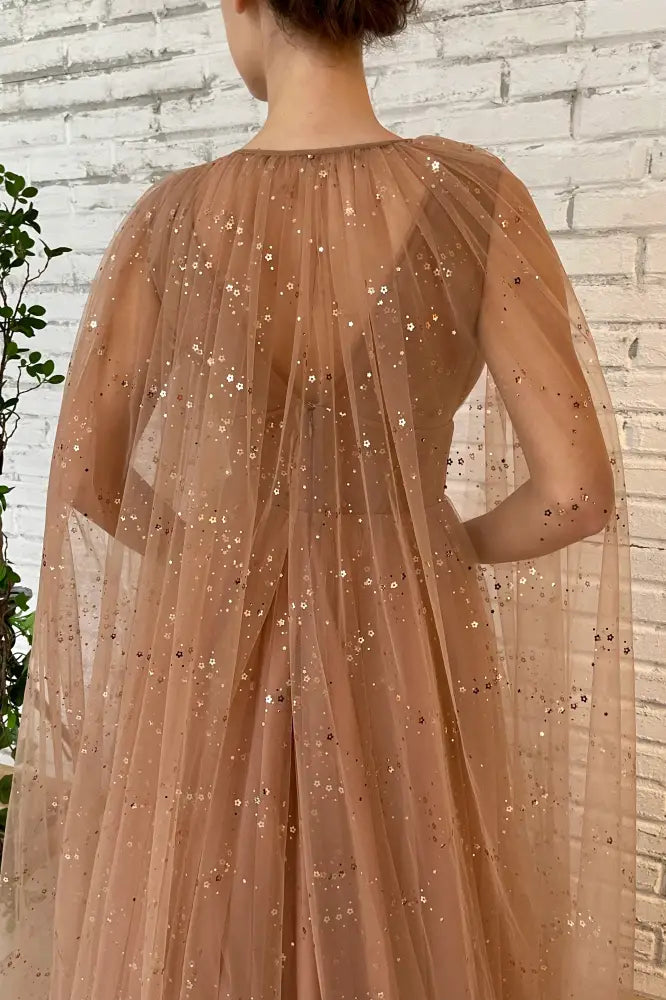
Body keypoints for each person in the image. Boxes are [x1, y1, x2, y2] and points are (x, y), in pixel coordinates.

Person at [0, 1, 637, 998]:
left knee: (210, 921)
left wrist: (207, 551)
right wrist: (435, 545)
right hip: (403, 626)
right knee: (412, 910)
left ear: (245, 5)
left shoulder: (170, 218)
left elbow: (88, 472)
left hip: (211, 635)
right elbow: (576, 497)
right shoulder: (476, 198)